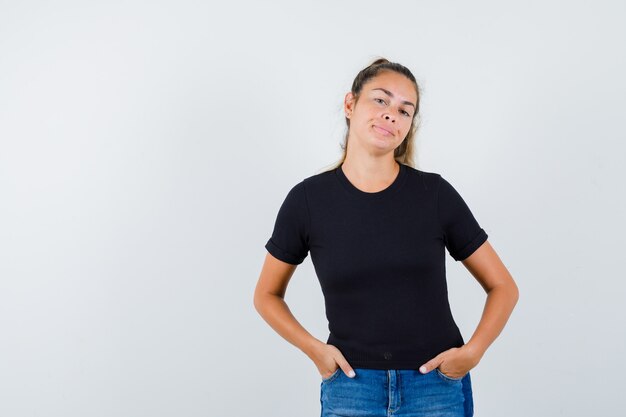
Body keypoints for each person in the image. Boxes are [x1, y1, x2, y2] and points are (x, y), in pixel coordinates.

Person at [253, 57, 519, 417]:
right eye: (380, 100)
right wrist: (315, 350)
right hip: (351, 388)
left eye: (404, 110)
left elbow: (503, 286)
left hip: (435, 386)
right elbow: (266, 295)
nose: (392, 114)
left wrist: (472, 352)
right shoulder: (308, 201)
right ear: (351, 104)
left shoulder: (434, 194)